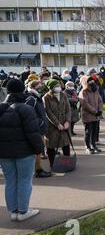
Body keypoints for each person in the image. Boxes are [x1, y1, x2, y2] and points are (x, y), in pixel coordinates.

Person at [0, 79, 45, 221]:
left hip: (4, 153)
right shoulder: (26, 109)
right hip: (24, 152)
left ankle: (13, 212)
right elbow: (33, 133)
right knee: (24, 181)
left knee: (10, 181)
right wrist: (39, 149)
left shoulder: (1, 108)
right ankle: (23, 211)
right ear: (22, 91)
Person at [42, 79, 72, 170]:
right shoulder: (46, 97)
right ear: (51, 88)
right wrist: (57, 124)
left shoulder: (63, 95)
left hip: (64, 123)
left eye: (58, 86)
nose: (58, 88)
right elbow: (48, 113)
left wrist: (67, 121)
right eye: (56, 86)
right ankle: (52, 165)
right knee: (51, 145)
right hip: (52, 126)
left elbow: (68, 108)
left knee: (65, 144)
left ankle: (67, 164)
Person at [25, 80, 51, 178]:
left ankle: (38, 169)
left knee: (39, 149)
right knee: (37, 150)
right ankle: (38, 170)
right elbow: (28, 113)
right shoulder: (31, 98)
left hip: (39, 127)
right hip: (37, 128)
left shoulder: (35, 96)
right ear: (34, 87)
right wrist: (40, 122)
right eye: (40, 86)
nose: (41, 88)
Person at [79, 76, 103, 154]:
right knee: (88, 132)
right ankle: (88, 147)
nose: (92, 82)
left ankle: (93, 145)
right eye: (89, 81)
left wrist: (100, 110)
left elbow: (100, 100)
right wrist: (94, 111)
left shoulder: (95, 90)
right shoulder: (83, 92)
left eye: (92, 81)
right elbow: (85, 104)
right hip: (87, 115)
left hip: (96, 115)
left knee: (94, 131)